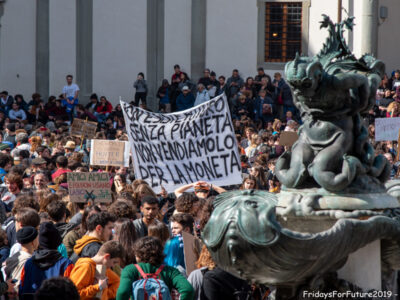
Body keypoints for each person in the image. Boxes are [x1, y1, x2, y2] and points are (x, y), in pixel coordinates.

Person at [116, 236, 194, 300]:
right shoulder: (171, 271)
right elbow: (188, 290)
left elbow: (122, 292)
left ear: (138, 254)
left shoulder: (130, 270)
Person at [19, 222, 74, 300]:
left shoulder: (28, 264)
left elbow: (21, 290)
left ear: (40, 242)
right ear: (58, 242)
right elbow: (71, 294)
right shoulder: (66, 265)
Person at [4, 226, 39, 292]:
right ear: (33, 242)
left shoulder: (16, 256)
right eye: (37, 238)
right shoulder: (26, 261)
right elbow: (17, 284)